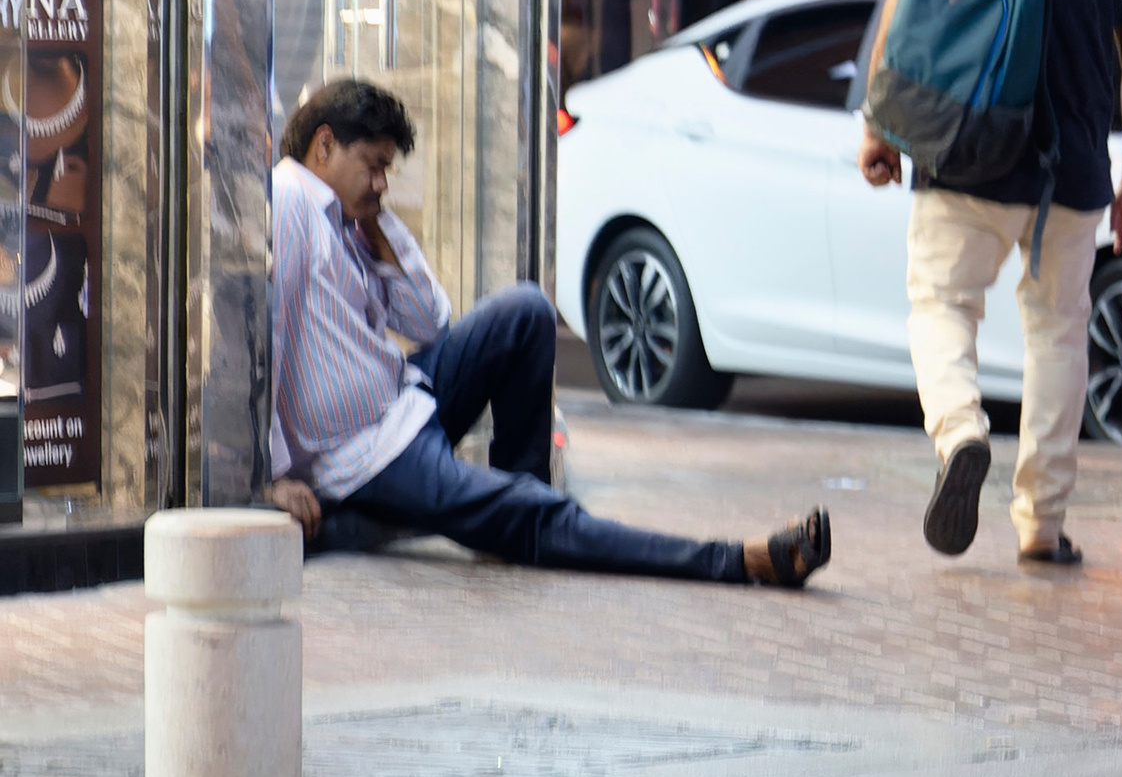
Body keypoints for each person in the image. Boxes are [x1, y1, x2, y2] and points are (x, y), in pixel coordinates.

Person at [263, 79, 830, 584]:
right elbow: (269, 337)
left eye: (388, 168)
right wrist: (277, 473)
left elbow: (430, 322)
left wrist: (380, 235)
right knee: (532, 510)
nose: (382, 183)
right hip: (365, 454)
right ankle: (732, 560)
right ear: (324, 145)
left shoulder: (350, 220)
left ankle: (522, 511)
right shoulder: (290, 199)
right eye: (373, 164)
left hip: (407, 401)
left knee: (528, 309)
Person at [859, 0, 1122, 566]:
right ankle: (1043, 522)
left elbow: (905, 14)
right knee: (1060, 334)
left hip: (964, 152)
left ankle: (960, 429)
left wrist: (879, 127)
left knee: (941, 306)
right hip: (1071, 177)